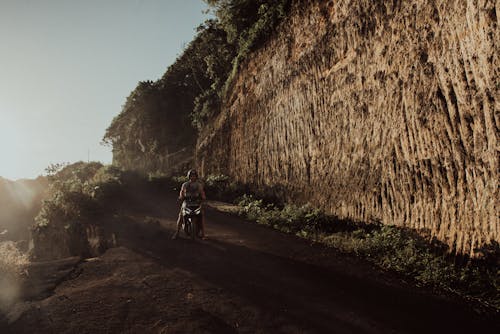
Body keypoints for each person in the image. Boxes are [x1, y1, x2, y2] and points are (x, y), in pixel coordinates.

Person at [172, 169, 207, 239]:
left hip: (196, 203)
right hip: (187, 202)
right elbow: (181, 192)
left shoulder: (199, 185)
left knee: (201, 216)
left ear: (196, 177)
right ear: (189, 176)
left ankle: (203, 234)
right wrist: (181, 197)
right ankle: (177, 232)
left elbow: (202, 192)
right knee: (181, 215)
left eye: (194, 176)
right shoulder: (185, 184)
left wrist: (203, 198)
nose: (193, 177)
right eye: (191, 176)